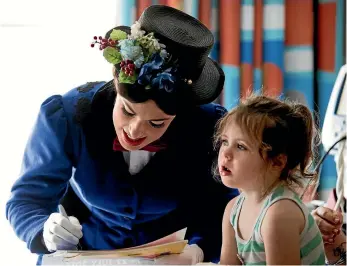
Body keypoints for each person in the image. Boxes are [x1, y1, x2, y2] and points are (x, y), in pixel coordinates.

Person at [6, 5, 237, 265]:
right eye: (127, 112)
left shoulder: (210, 127)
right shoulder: (66, 115)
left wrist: (200, 249)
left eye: (157, 123)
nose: (136, 131)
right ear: (116, 84)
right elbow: (26, 201)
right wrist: (44, 231)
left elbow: (226, 208)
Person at [217, 95, 326, 265]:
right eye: (224, 141)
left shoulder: (279, 213)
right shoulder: (233, 210)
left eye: (240, 146)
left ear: (277, 162)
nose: (225, 153)